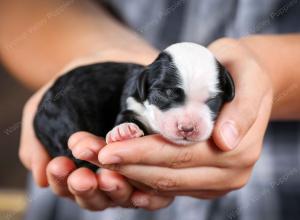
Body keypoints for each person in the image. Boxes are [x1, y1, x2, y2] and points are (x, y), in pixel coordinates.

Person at [1, 0, 300, 219]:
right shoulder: (135, 88)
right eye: (171, 97)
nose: (187, 122)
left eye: (209, 101)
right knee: (85, 153)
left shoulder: (162, 83)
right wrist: (92, 50)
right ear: (144, 88)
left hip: (279, 193)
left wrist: (272, 76)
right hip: (85, 200)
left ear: (227, 89)